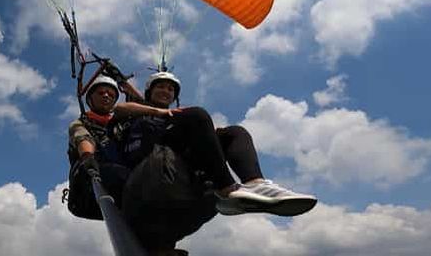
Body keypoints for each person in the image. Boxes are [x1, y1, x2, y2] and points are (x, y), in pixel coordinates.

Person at [113, 71, 317, 253]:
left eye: (170, 89)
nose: (166, 91)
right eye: (161, 87)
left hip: (176, 162)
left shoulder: (178, 118)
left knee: (234, 132)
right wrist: (157, 112)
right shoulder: (138, 111)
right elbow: (120, 109)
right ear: (149, 92)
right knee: (196, 114)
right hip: (149, 164)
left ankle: (256, 184)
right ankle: (227, 190)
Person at [65, 75, 134, 220]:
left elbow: (147, 106)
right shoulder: (80, 123)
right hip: (88, 187)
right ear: (90, 99)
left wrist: (125, 84)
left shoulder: (121, 124)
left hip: (122, 184)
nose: (106, 96)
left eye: (111, 94)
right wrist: (87, 157)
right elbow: (83, 138)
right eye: (101, 93)